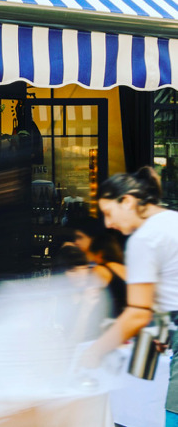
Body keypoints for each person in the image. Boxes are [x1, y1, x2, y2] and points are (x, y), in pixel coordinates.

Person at [80, 166, 178, 424]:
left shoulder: (144, 238)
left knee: (166, 413)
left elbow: (138, 313)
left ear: (127, 201)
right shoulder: (172, 220)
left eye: (108, 213)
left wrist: (95, 351)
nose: (108, 224)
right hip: (168, 328)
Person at [89, 230, 127, 318]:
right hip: (129, 317)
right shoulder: (126, 268)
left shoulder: (101, 270)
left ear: (99, 253)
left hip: (111, 318)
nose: (93, 260)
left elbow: (91, 299)